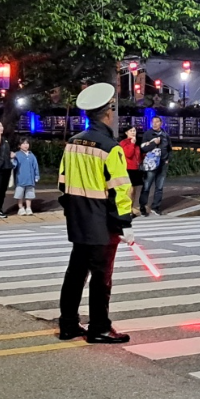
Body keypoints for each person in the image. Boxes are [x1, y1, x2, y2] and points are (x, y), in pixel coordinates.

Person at [57, 82, 135, 344]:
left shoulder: (72, 143)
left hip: (77, 220)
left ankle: (68, 324)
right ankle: (99, 328)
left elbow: (62, 184)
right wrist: (124, 225)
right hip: (102, 224)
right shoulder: (110, 148)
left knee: (76, 272)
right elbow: (120, 191)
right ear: (108, 113)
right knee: (101, 277)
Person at [139, 115, 171, 216]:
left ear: (161, 123)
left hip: (162, 164)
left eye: (157, 122)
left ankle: (156, 207)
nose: (155, 124)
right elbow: (143, 148)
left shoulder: (165, 135)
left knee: (159, 187)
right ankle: (142, 207)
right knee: (147, 186)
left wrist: (168, 159)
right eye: (153, 122)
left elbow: (169, 148)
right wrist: (154, 143)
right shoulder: (148, 134)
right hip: (151, 164)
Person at [11, 137, 40, 216]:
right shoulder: (17, 154)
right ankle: (21, 208)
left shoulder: (31, 155)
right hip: (20, 179)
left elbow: (35, 166)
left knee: (29, 195)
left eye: (27, 143)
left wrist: (37, 175)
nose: (26, 145)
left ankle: (28, 208)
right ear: (19, 145)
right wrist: (12, 159)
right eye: (23, 143)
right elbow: (13, 165)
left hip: (30, 180)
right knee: (19, 195)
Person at [119, 125, 143, 216]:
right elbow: (128, 154)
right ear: (126, 133)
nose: (133, 132)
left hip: (135, 168)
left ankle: (131, 208)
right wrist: (132, 144)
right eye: (131, 131)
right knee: (130, 190)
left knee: (134, 190)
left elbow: (139, 156)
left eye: (134, 131)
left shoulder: (136, 142)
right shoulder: (124, 143)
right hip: (127, 168)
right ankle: (127, 209)